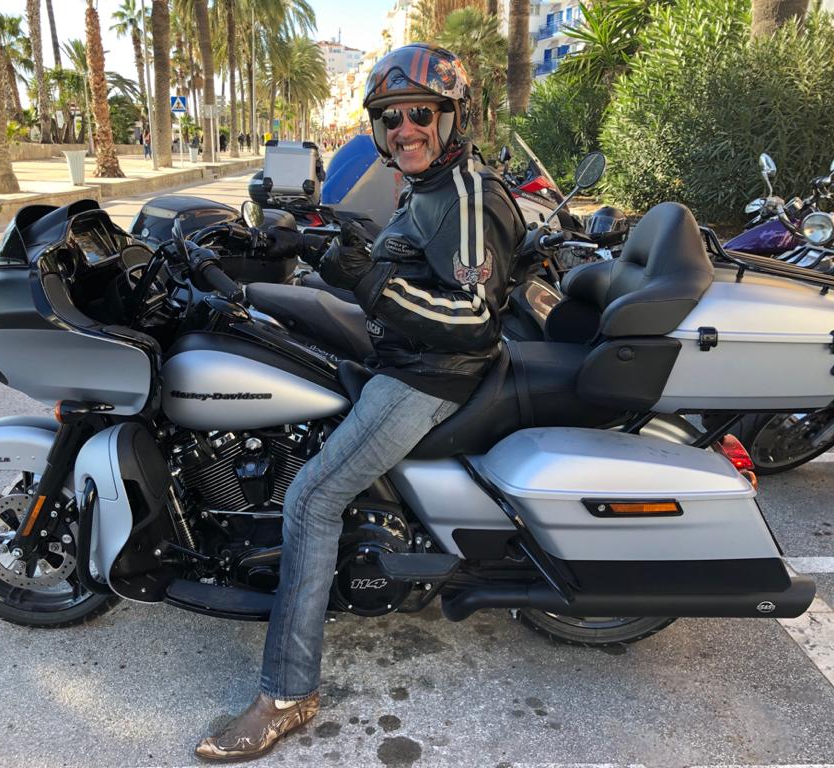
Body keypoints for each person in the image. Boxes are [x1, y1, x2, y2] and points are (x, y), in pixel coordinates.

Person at [194, 43, 526, 763]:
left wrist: (367, 280)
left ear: (452, 117)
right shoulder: (429, 186)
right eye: (391, 118)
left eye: (420, 114)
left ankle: (287, 694)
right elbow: (407, 261)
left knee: (312, 499)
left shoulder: (468, 194)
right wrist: (318, 244)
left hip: (430, 376)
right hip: (400, 356)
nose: (404, 129)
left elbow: (473, 318)